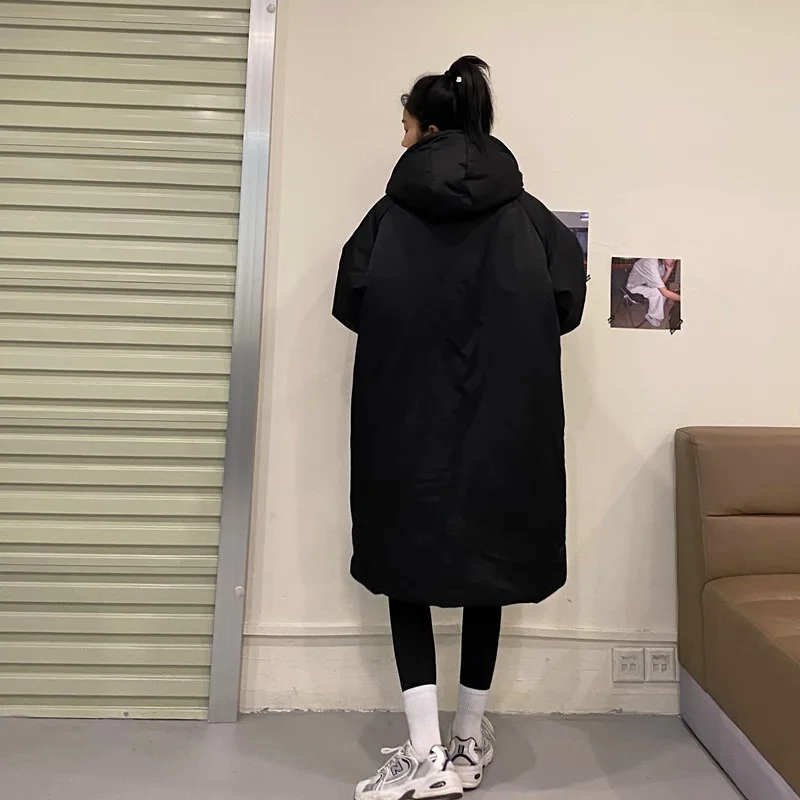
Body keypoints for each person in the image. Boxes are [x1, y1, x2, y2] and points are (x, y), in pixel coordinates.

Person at [333, 55, 587, 800]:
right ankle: (469, 743)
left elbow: (351, 301)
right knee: (489, 572)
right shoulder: (529, 215)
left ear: (428, 129)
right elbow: (567, 301)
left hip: (403, 424)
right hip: (507, 429)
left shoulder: (387, 217)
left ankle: (424, 753)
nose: (401, 139)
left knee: (405, 570)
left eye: (405, 125)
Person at [626, 258, 680, 328]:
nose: (674, 261)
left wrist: (669, 270)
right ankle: (651, 316)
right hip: (634, 286)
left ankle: (655, 315)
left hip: (646, 285)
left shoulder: (661, 264)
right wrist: (683, 299)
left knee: (660, 291)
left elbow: (661, 283)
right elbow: (664, 292)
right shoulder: (651, 263)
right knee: (659, 293)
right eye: (673, 258)